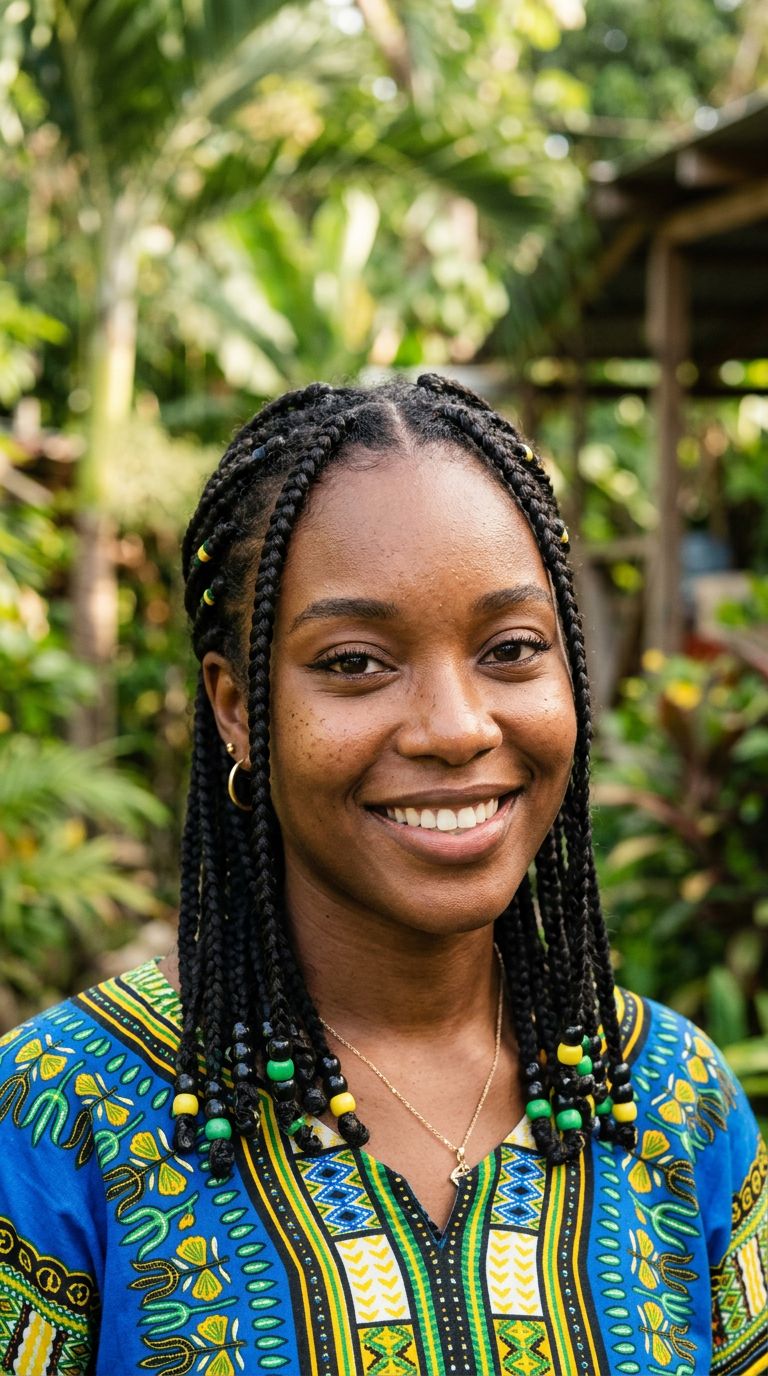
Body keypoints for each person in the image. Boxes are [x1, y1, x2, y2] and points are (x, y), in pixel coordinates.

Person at [0, 374, 765, 1376]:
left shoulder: (671, 1097)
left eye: (511, 648)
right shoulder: (62, 1115)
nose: (456, 725)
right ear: (235, 705)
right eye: (357, 661)